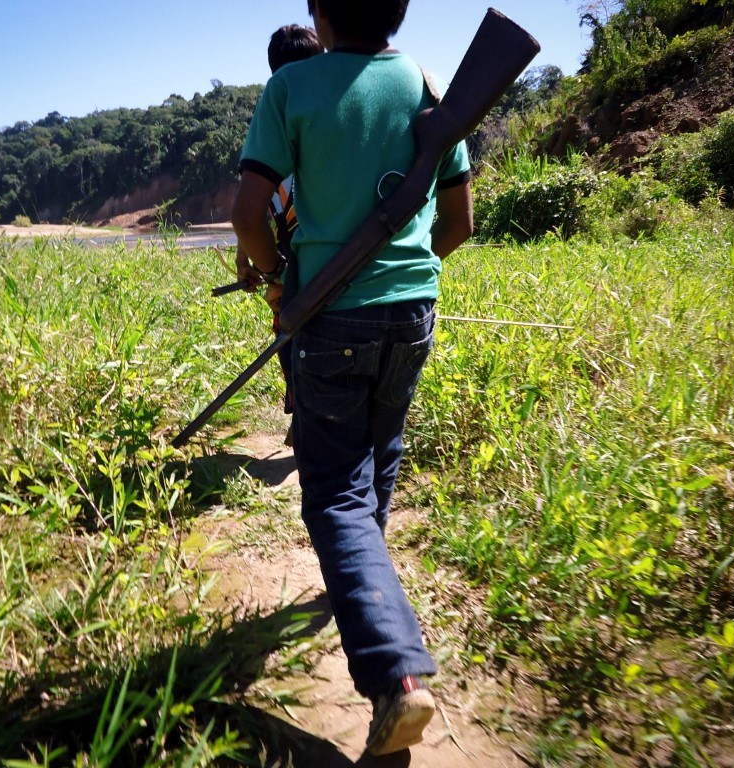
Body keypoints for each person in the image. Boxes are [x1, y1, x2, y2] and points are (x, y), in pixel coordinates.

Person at [231, 0, 473, 757]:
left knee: (334, 489)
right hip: (414, 312)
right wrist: (402, 271)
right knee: (380, 453)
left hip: (329, 320)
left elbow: (247, 216)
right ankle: (369, 597)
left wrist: (279, 283)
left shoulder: (292, 90)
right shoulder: (430, 84)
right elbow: (459, 223)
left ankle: (396, 675)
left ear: (316, 9)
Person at [234, 24, 323, 445]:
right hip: (302, 255)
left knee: (294, 334)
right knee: (294, 335)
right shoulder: (316, 113)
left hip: (294, 259)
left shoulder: (275, 118)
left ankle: (304, 414)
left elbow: (253, 202)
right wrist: (253, 261)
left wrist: (254, 262)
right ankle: (303, 413)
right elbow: (258, 207)